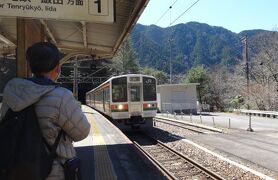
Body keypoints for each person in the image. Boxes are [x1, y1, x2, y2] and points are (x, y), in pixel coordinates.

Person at [0, 42, 91, 179]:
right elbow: (82, 132)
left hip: (16, 169)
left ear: (30, 66)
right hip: (53, 172)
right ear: (57, 68)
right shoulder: (62, 96)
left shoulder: (12, 91)